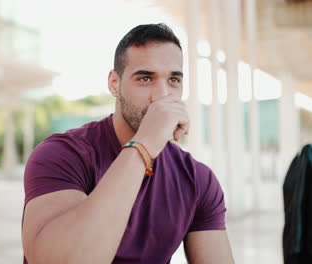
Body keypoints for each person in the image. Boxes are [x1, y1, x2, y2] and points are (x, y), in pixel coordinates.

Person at [22, 24, 235, 263]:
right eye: (145, 78)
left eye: (174, 79)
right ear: (114, 83)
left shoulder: (198, 179)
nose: (162, 95)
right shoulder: (62, 154)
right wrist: (143, 145)